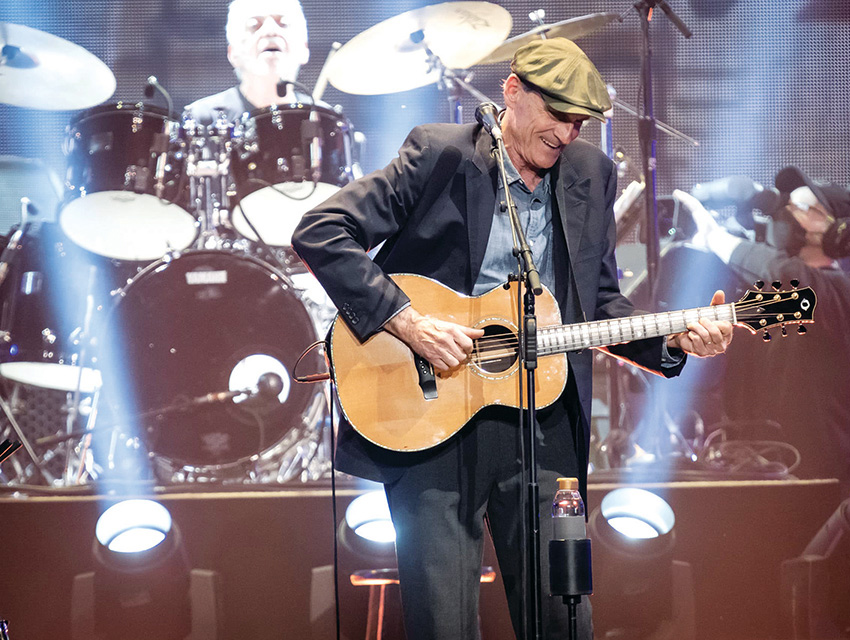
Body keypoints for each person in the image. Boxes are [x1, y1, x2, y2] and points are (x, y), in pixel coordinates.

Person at [293, 38, 733, 640]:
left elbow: (599, 304)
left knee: (563, 619)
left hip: (544, 424)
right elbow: (322, 230)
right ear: (512, 92)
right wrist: (409, 323)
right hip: (428, 420)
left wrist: (677, 342)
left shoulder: (590, 175)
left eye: (579, 123)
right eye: (556, 116)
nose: (567, 135)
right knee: (444, 625)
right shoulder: (438, 153)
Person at [674, 166, 850, 496]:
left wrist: (717, 238)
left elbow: (790, 279)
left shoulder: (843, 294)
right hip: (760, 470)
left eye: (801, 208)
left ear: (836, 232)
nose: (785, 214)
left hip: (821, 479)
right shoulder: (776, 296)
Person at [184, 0, 315, 125]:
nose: (270, 31)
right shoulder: (201, 119)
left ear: (304, 49)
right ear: (232, 53)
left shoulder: (321, 118)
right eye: (254, 25)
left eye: (283, 23)